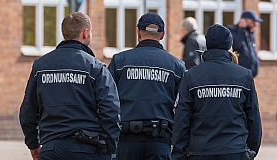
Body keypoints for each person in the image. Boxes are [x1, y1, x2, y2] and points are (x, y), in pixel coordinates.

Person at [20, 12, 120, 160]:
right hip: (89, 149)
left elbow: (28, 111)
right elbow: (110, 111)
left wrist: (34, 145)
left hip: (51, 149)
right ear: (85, 33)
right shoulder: (96, 68)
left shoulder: (40, 66)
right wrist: (110, 148)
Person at [172, 24, 262, 160]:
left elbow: (182, 119)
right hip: (235, 150)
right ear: (229, 46)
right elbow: (253, 118)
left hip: (200, 151)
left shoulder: (191, 76)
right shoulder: (244, 75)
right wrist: (251, 151)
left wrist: (179, 154)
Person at [107, 12, 185, 160]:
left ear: (138, 32)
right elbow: (183, 106)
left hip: (126, 141)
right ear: (162, 35)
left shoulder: (119, 61)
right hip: (160, 140)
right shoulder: (176, 66)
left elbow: (106, 100)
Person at [227, 10, 263, 77]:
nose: (255, 25)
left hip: (250, 75)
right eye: (253, 22)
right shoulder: (233, 31)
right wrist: (241, 29)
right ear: (245, 20)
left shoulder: (250, 33)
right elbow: (236, 45)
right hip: (239, 74)